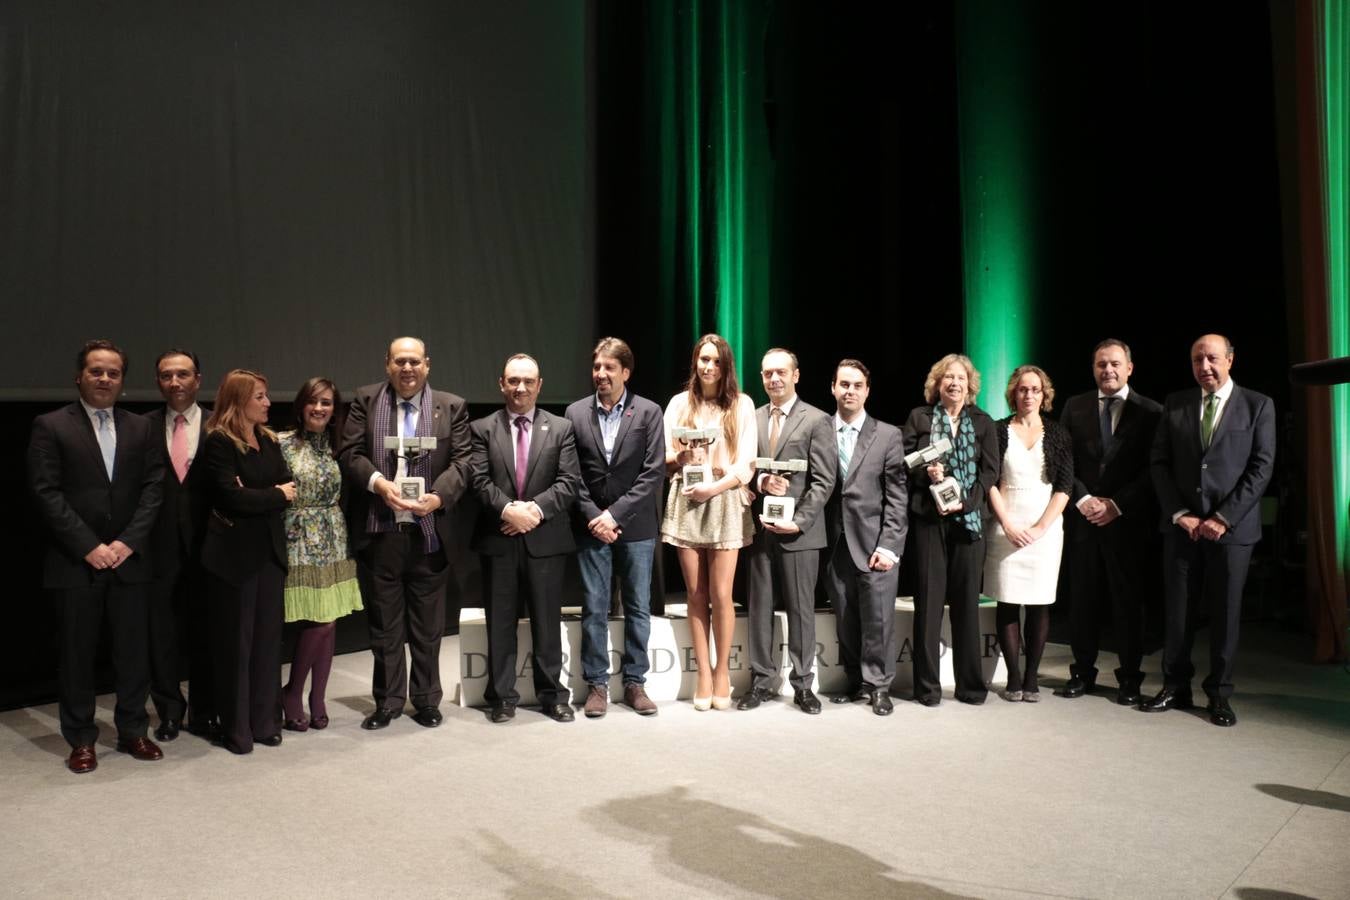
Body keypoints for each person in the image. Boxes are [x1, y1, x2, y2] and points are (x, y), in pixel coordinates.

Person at [28, 340, 166, 773]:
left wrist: (127, 543)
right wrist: (89, 546)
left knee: (133, 653)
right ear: (79, 376)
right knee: (76, 656)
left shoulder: (142, 428)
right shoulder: (50, 426)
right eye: (96, 371)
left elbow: (153, 489)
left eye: (113, 373)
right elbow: (45, 493)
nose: (105, 378)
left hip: (129, 560)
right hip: (75, 562)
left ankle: (132, 731)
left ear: (122, 380)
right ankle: (81, 739)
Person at [1142, 334, 1275, 727]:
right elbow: (1159, 463)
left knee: (1224, 613)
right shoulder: (1176, 403)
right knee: (1178, 612)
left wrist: (1223, 517)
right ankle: (1175, 686)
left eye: (1212, 358)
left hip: (1231, 532)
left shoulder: (1258, 405)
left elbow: (1261, 468)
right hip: (1183, 527)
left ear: (1231, 360)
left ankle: (1219, 693)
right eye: (1197, 360)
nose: (1205, 367)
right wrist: (1179, 512)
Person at [339, 337, 472, 731]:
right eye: (400, 361)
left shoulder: (450, 406)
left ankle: (427, 700)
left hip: (430, 532)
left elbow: (464, 462)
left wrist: (437, 498)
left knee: (428, 629)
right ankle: (388, 701)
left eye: (415, 361)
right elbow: (349, 454)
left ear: (427, 365)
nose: (408, 368)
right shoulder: (365, 401)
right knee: (385, 627)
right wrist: (379, 484)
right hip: (381, 531)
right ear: (387, 365)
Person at [470, 354, 581, 723]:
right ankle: (502, 698)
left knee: (547, 623)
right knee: (500, 623)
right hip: (499, 538)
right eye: (513, 381)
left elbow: (568, 484)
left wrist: (530, 512)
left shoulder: (561, 428)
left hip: (545, 540)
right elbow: (478, 481)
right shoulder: (482, 428)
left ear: (539, 385)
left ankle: (553, 695)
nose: (521, 388)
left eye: (528, 381)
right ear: (501, 383)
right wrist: (508, 511)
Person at [565, 338, 666, 718]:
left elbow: (653, 471)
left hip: (636, 527)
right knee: (594, 607)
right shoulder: (575, 413)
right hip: (591, 526)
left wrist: (615, 515)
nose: (601, 374)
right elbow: (570, 475)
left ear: (626, 371)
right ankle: (597, 685)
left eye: (609, 368)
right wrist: (596, 516)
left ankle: (636, 682)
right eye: (597, 368)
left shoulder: (648, 412)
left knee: (638, 607)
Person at [1059, 339, 1163, 705]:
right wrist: (1084, 498)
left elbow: (1155, 470)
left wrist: (1117, 505)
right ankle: (1082, 673)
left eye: (1115, 364)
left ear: (1129, 368)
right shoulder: (1075, 406)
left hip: (1128, 524)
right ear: (1093, 368)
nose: (1108, 370)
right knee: (1082, 601)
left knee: (1128, 605)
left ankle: (1130, 679)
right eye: (1101, 364)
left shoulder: (1151, 412)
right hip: (1084, 521)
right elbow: (1063, 460)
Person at [199, 369, 295, 754]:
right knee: (236, 645)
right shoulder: (219, 443)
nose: (268, 403)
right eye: (260, 396)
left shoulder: (269, 440)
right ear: (240, 400)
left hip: (269, 554)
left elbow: (291, 487)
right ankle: (237, 729)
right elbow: (229, 498)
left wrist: (259, 492)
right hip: (234, 558)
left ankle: (265, 722)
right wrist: (273, 494)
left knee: (268, 643)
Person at [660, 334, 757, 710]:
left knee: (721, 595)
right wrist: (681, 459)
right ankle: (703, 673)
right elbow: (664, 453)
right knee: (696, 595)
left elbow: (746, 461)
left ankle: (722, 674)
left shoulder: (742, 405)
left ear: (726, 365)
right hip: (687, 498)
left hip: (724, 499)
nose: (709, 367)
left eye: (716, 361)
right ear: (695, 363)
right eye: (703, 359)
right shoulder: (678, 404)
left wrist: (713, 487)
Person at [740, 348, 836, 715]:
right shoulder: (754, 417)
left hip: (800, 533)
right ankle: (761, 683)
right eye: (767, 374)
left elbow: (824, 481)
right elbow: (747, 468)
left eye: (780, 372)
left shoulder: (817, 420)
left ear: (796, 375)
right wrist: (762, 481)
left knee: (801, 611)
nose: (773, 379)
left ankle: (802, 685)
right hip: (763, 528)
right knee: (759, 607)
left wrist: (799, 520)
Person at [901, 353, 999, 706]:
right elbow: (905, 463)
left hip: (968, 523)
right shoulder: (919, 417)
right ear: (937, 384)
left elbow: (990, 472)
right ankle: (926, 688)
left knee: (966, 608)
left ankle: (971, 686)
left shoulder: (984, 422)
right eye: (947, 378)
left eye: (960, 378)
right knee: (927, 605)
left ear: (969, 385)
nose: (954, 383)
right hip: (929, 520)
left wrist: (967, 503)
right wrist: (924, 473)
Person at [822, 360, 908, 716]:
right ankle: (857, 681)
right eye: (844, 384)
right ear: (833, 387)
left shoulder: (888, 435)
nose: (850, 391)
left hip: (875, 544)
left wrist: (890, 546)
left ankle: (879, 687)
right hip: (833, 543)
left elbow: (897, 496)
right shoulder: (819, 430)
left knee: (878, 619)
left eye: (857, 385)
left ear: (867, 391)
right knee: (845, 618)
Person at [278, 378, 363, 731]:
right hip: (298, 537)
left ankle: (318, 698)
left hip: (334, 536)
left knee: (330, 624)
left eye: (326, 402)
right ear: (301, 405)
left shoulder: (339, 445)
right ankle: (294, 692)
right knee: (320, 621)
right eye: (313, 401)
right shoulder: (281, 442)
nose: (319, 408)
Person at [983, 365, 1073, 702]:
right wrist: (1006, 522)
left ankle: (1032, 678)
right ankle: (1013, 678)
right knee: (1006, 602)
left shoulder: (1059, 433)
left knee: (1038, 605)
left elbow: (1064, 487)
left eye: (1035, 389)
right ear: (1013, 394)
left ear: (1044, 394)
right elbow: (989, 480)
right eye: (1023, 389)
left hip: (1045, 529)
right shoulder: (996, 430)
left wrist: (1039, 528)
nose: (1029, 395)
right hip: (1005, 524)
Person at [143, 349, 210, 741]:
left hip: (210, 549)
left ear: (197, 379)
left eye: (183, 374)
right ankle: (169, 711)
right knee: (162, 636)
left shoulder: (221, 424)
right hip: (158, 548)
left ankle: (204, 711)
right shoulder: (141, 428)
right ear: (159, 382)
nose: (175, 382)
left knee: (207, 633)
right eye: (167, 375)